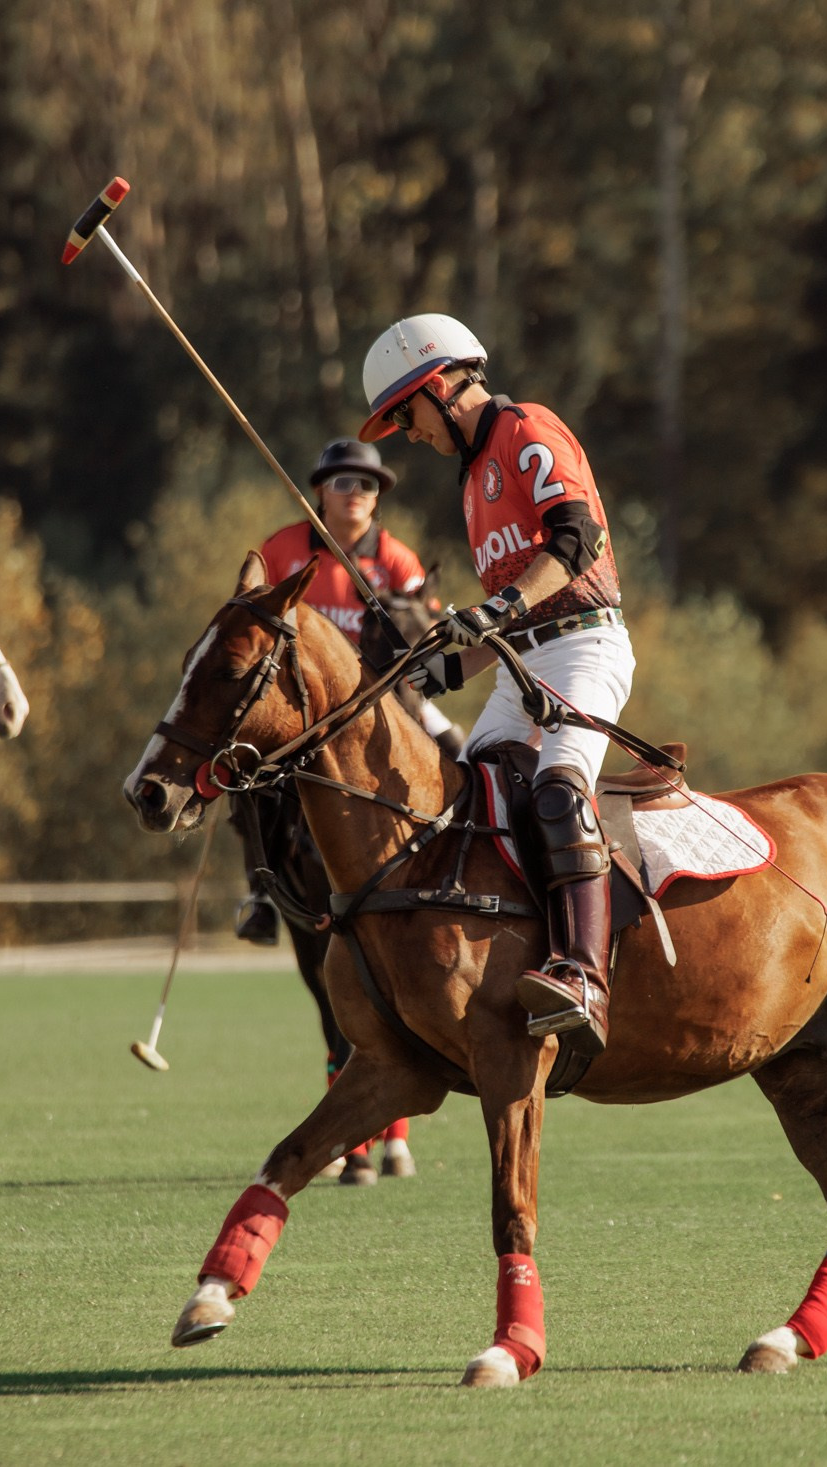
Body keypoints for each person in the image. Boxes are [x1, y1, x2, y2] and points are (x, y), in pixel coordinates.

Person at [357, 313, 632, 1057]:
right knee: (465, 797)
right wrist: (442, 669)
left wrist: (499, 607)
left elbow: (578, 539)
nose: (408, 434)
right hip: (523, 662)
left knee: (557, 788)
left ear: (440, 385)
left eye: (405, 414)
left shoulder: (525, 429)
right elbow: (500, 626)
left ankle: (583, 975)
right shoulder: (473, 481)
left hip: (585, 647)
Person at [237, 437, 461, 946]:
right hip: (298, 706)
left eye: (367, 484)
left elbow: (421, 639)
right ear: (320, 492)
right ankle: (258, 892)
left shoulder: (400, 561)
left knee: (460, 755)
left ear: (377, 497)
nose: (356, 492)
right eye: (343, 482)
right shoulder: (282, 551)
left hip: (383, 698)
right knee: (246, 775)